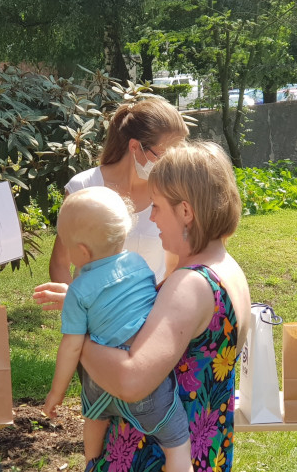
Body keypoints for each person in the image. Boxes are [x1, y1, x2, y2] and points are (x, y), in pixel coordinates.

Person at [34, 142, 251, 471]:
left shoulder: (190, 285)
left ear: (186, 212)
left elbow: (131, 381)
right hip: (205, 448)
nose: (150, 216)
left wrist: (80, 332)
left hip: (154, 457)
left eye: (157, 206)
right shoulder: (226, 268)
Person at [42, 186, 190, 471]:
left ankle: (91, 462)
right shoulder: (140, 265)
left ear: (82, 251)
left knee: (94, 419)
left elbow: (72, 346)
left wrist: (55, 394)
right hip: (145, 384)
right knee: (177, 442)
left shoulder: (77, 291)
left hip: (99, 383)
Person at [46, 97, 189, 285]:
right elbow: (60, 263)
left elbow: (176, 265)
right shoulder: (84, 186)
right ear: (135, 147)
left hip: (151, 312)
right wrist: (79, 308)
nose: (171, 164)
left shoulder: (171, 193)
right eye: (164, 156)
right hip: (94, 313)